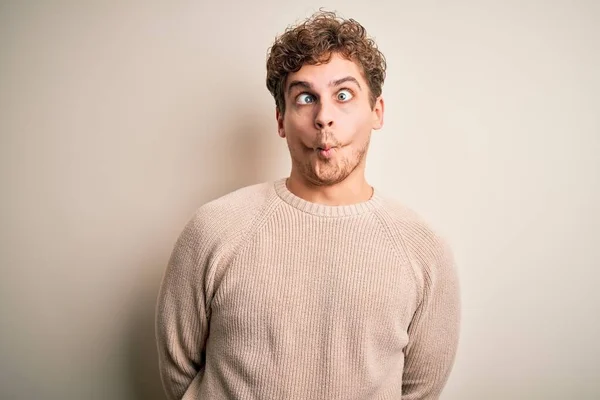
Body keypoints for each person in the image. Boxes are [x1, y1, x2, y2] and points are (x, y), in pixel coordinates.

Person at [155, 10, 460, 400]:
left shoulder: (424, 250)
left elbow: (419, 390)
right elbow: (179, 375)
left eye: (343, 95)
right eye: (305, 97)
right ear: (281, 119)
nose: (324, 117)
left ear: (376, 112)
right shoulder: (213, 229)